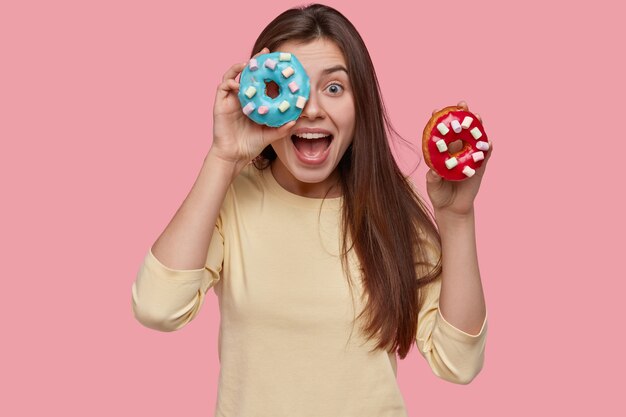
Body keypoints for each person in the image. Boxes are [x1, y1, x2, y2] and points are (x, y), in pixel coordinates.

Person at [131, 4, 491, 416]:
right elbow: (157, 309)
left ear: (362, 105)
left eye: (334, 88)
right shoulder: (233, 199)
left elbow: (459, 364)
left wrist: (458, 219)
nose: (313, 108)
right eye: (295, 87)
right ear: (262, 97)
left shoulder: (392, 207)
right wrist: (222, 157)